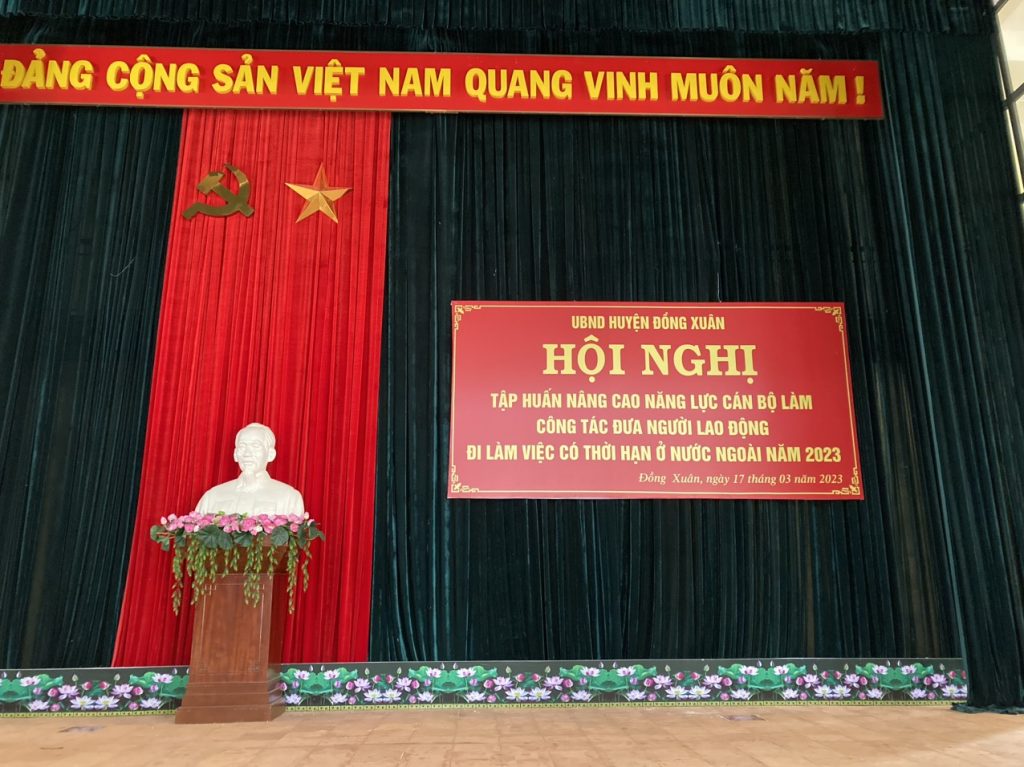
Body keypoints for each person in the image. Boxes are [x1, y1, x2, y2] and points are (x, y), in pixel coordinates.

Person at [194, 423, 305, 518]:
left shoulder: (289, 497)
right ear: (235, 454)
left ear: (270, 454)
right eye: (242, 446)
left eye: (255, 446)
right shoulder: (212, 496)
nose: (247, 453)